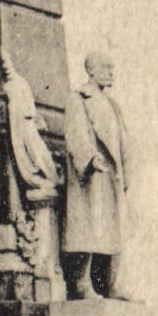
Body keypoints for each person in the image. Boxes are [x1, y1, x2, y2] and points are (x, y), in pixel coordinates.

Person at [62, 52, 132, 299]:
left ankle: (112, 285)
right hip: (91, 177)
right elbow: (76, 132)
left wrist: (126, 170)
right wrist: (90, 159)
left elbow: (122, 139)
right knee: (89, 229)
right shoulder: (79, 98)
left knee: (112, 231)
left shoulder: (112, 104)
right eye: (105, 67)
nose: (111, 72)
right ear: (90, 70)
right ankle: (82, 283)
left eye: (112, 67)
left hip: (111, 177)